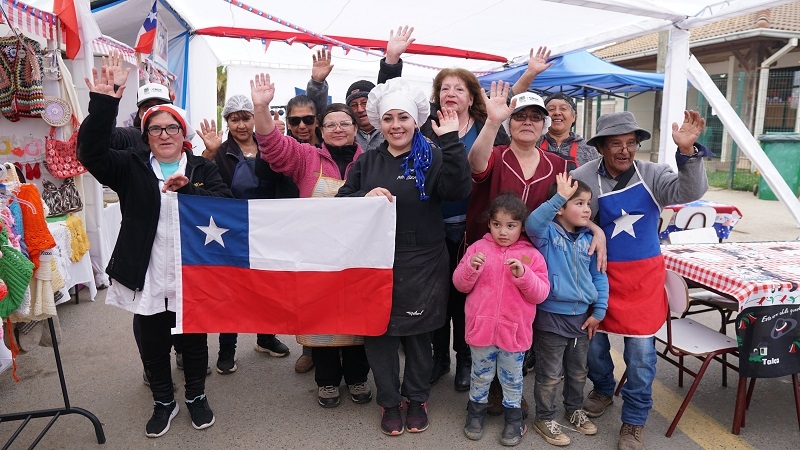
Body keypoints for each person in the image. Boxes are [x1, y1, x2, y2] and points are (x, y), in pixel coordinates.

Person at [78, 66, 233, 438]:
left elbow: (227, 207)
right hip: (145, 272)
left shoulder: (201, 169)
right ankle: (165, 401)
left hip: (189, 271)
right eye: (156, 129)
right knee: (153, 341)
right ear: (145, 136)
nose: (164, 135)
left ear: (183, 134)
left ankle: (196, 395)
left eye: (172, 128)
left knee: (193, 340)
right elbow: (91, 153)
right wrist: (102, 106)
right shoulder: (129, 167)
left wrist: (190, 192)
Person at [379, 25, 513, 390]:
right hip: (433, 227)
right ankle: (438, 360)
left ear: (472, 98)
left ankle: (465, 360)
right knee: (437, 296)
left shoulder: (492, 127)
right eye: (444, 89)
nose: (451, 93)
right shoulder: (424, 125)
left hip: (475, 228)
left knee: (468, 297)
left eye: (459, 88)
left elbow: (500, 173)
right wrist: (392, 61)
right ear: (437, 98)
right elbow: (392, 104)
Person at [336, 77, 471, 435]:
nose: (396, 125)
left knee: (419, 335)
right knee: (380, 334)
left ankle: (417, 398)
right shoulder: (367, 162)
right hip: (378, 261)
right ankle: (390, 402)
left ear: (416, 121)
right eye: (389, 118)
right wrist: (362, 198)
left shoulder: (434, 156)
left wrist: (452, 142)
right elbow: (341, 201)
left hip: (425, 259)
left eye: (404, 118)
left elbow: (458, 189)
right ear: (380, 122)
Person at [570, 110, 710, 450]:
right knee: (594, 344)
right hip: (598, 273)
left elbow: (690, 190)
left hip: (644, 279)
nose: (624, 150)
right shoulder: (581, 175)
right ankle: (603, 388)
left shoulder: (654, 174)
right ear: (601, 146)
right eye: (616, 143)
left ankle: (634, 421)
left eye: (631, 143)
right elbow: (567, 215)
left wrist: (687, 154)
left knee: (642, 355)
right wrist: (591, 228)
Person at [467, 82, 607, 415]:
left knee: (522, 321)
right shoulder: (496, 153)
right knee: (492, 315)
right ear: (510, 123)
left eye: (535, 117)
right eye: (519, 117)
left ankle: (512, 386)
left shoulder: (559, 165)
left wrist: (593, 226)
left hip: (537, 254)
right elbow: (475, 164)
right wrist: (491, 122)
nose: (527, 122)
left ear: (545, 125)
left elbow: (575, 205)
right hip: (493, 250)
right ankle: (492, 388)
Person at [251, 74, 372, 408]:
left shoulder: (372, 159)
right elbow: (272, 144)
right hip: (317, 258)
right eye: (330, 124)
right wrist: (260, 107)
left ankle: (358, 377)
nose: (337, 129)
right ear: (322, 128)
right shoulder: (306, 157)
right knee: (321, 320)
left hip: (359, 257)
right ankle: (328, 381)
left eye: (343, 123)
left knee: (356, 319)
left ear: (354, 127)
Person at [197, 95, 293, 374]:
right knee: (232, 291)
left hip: (268, 227)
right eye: (234, 118)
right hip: (230, 229)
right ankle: (227, 348)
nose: (241, 124)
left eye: (246, 117)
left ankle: (265, 338)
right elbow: (199, 184)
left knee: (266, 285)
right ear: (227, 121)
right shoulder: (221, 149)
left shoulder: (269, 146)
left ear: (254, 119)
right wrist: (209, 155)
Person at [453, 193, 550, 446]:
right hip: (481, 330)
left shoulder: (532, 256)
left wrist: (524, 274)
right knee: (480, 375)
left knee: (512, 378)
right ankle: (475, 413)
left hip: (514, 333)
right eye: (497, 224)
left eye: (511, 225)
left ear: (522, 225)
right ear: (489, 224)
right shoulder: (477, 249)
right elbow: (459, 285)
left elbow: (541, 293)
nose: (503, 232)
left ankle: (514, 419)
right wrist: (470, 267)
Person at [524, 173, 609, 446]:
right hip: (551, 317)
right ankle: (545, 417)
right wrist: (559, 196)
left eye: (588, 204)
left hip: (582, 319)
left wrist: (600, 309)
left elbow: (599, 275)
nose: (587, 209)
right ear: (560, 207)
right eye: (579, 203)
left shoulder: (588, 240)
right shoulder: (547, 233)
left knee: (577, 371)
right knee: (549, 375)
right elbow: (532, 222)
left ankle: (574, 411)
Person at [538, 93, 598, 170]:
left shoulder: (588, 149)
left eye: (563, 109)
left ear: (573, 117)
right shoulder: (533, 143)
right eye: (551, 109)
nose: (557, 113)